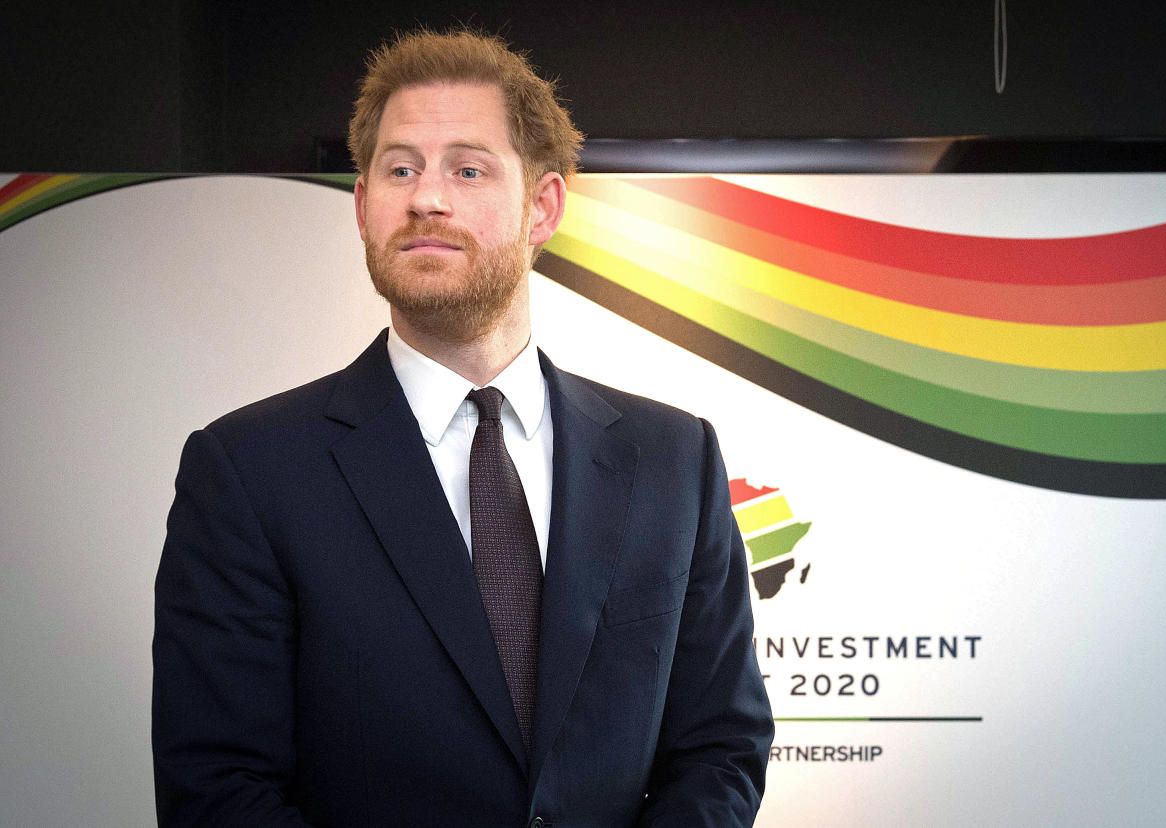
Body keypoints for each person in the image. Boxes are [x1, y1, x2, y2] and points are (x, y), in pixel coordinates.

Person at [152, 28, 772, 827]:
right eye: (399, 168)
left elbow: (721, 747)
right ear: (363, 207)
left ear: (542, 206)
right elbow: (219, 790)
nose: (426, 198)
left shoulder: (673, 458)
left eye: (467, 169)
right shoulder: (247, 470)